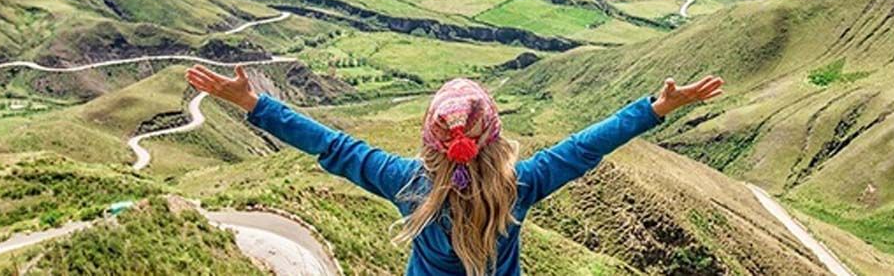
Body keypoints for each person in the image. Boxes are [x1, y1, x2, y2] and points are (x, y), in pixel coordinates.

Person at [186, 64, 724, 276]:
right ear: (492, 134)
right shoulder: (522, 185)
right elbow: (586, 147)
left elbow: (332, 147)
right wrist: (653, 109)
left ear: (430, 140)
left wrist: (255, 104)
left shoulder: (407, 185)